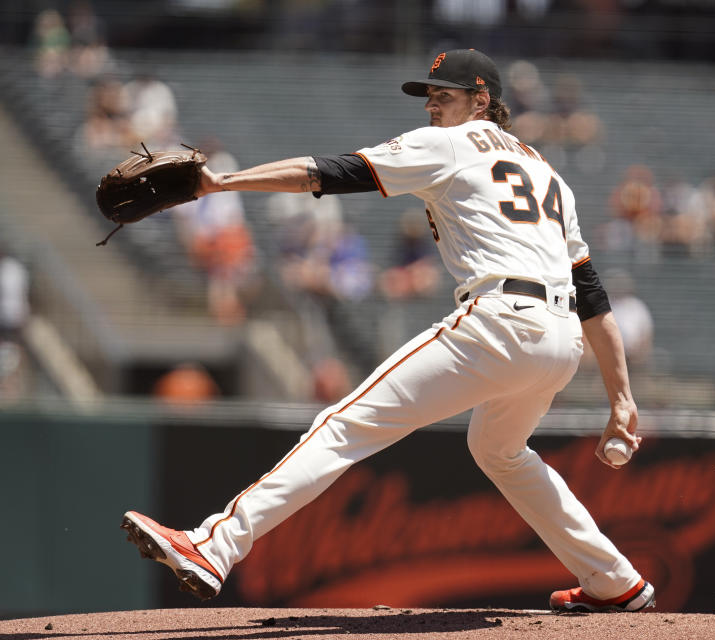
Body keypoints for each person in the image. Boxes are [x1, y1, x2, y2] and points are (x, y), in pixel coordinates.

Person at [121, 49, 654, 614]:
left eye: (443, 95)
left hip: (499, 322)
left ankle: (213, 545)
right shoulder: (550, 173)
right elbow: (591, 293)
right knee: (499, 449)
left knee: (343, 425)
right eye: (429, 95)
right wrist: (621, 396)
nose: (431, 105)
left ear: (482, 102)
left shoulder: (450, 143)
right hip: (559, 339)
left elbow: (326, 173)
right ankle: (612, 579)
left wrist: (219, 183)